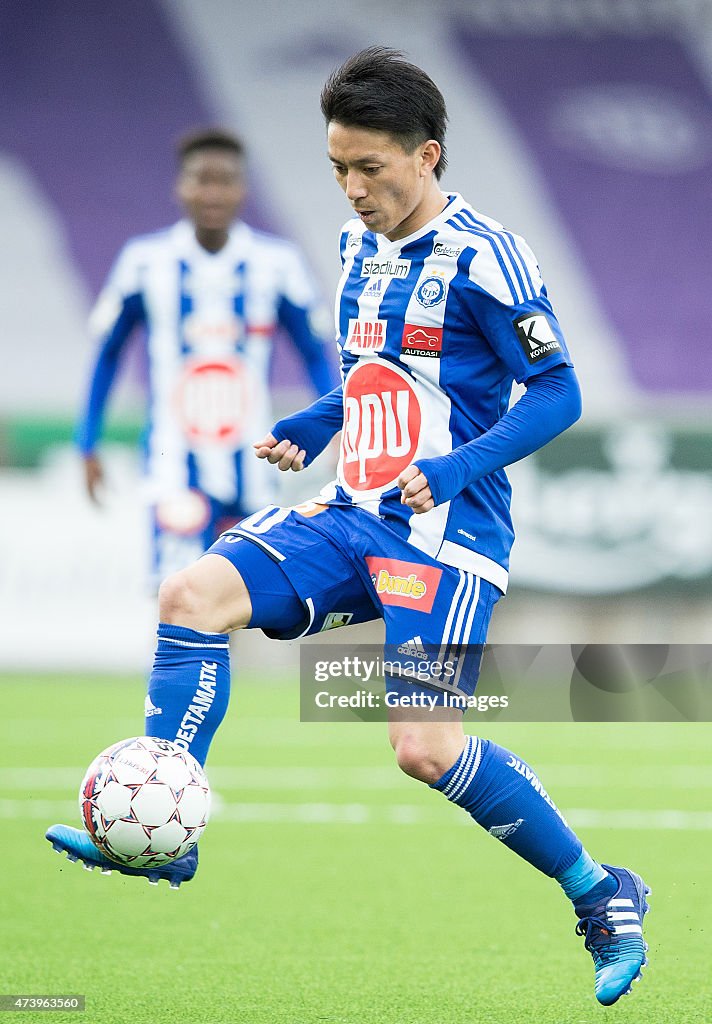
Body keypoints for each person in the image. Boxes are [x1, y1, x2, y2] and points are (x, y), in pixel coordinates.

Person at [49, 50, 649, 1007]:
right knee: (191, 593)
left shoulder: (490, 256)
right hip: (350, 510)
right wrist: (317, 422)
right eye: (338, 167)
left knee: (424, 746)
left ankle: (601, 892)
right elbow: (378, 373)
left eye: (371, 168)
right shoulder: (351, 246)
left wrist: (456, 467)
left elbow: (560, 392)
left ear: (429, 155)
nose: (353, 188)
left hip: (443, 535)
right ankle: (173, 822)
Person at [76, 128, 337, 585]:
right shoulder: (144, 262)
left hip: (256, 459)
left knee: (236, 601)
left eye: (226, 180)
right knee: (179, 595)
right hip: (173, 463)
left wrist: (336, 428)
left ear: (243, 189)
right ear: (181, 187)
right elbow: (108, 353)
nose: (213, 192)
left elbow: (314, 356)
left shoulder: (277, 263)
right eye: (202, 179)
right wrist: (87, 441)